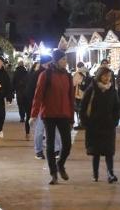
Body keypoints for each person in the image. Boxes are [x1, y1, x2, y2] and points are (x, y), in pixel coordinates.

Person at [30, 50, 75, 185]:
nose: (65, 62)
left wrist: (72, 118)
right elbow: (38, 96)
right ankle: (53, 173)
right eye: (63, 59)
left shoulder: (68, 76)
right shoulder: (45, 75)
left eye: (66, 59)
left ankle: (60, 164)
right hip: (49, 114)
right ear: (56, 61)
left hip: (64, 114)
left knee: (67, 144)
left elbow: (71, 98)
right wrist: (33, 114)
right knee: (50, 145)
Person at [80, 66, 120, 184]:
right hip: (94, 125)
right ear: (99, 76)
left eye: (109, 76)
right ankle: (95, 174)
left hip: (108, 125)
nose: (107, 78)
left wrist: (115, 121)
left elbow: (116, 107)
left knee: (109, 151)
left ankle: (110, 173)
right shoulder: (91, 90)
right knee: (95, 151)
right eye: (104, 75)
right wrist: (85, 122)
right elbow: (83, 106)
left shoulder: (113, 90)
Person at [28, 58, 61, 157]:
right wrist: (34, 110)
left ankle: (54, 149)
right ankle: (39, 150)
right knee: (40, 129)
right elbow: (35, 94)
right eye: (50, 63)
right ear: (46, 64)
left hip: (50, 106)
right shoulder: (40, 74)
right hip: (42, 107)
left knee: (50, 129)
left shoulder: (54, 74)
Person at [73, 62, 92, 130]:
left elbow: (74, 83)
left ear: (78, 66)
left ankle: (81, 123)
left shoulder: (77, 73)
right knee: (86, 109)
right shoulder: (88, 72)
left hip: (79, 95)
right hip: (86, 94)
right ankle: (86, 123)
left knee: (79, 109)